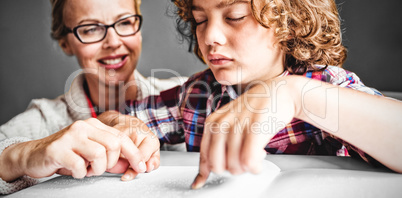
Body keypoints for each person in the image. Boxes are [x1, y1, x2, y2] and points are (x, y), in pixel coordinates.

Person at [120, 0, 402, 189]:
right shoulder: (197, 95)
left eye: (235, 17)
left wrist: (296, 95)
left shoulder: (327, 84)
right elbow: (123, 120)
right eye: (200, 20)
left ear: (290, 23)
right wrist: (121, 128)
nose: (209, 37)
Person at [0, 0, 186, 194]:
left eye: (124, 22)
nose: (113, 42)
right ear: (65, 43)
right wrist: (24, 156)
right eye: (90, 29)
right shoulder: (42, 120)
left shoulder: (193, 98)